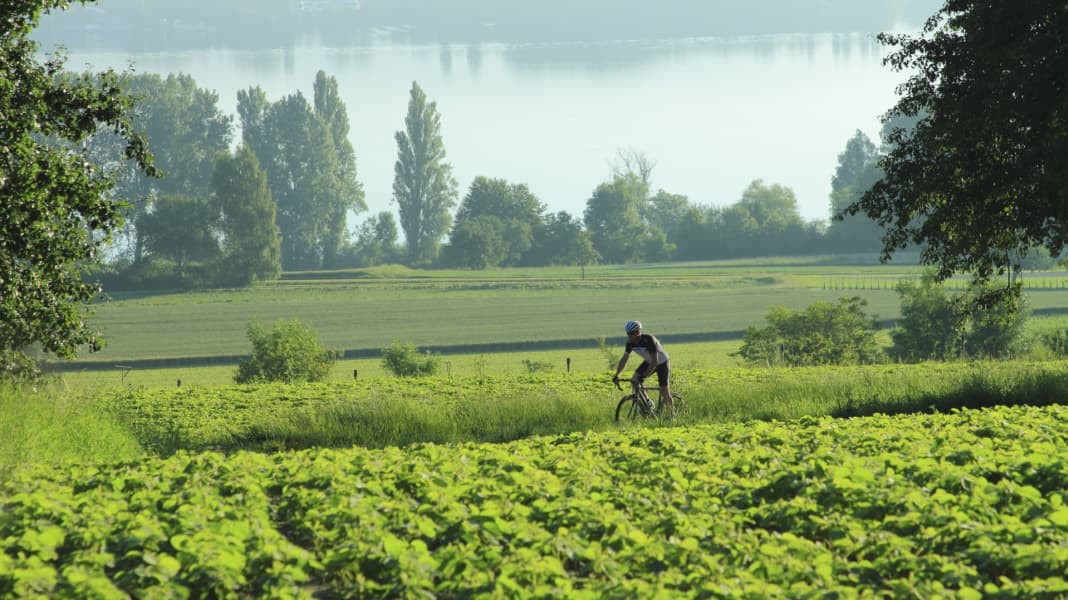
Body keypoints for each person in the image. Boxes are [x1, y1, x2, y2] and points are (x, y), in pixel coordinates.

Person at [612, 320, 674, 416]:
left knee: (664, 390)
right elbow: (624, 359)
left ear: (638, 332)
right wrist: (617, 374)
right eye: (628, 334)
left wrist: (643, 376)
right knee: (634, 380)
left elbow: (655, 362)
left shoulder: (649, 340)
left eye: (631, 334)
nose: (629, 336)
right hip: (649, 361)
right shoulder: (630, 343)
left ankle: (672, 415)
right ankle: (648, 403)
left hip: (662, 363)